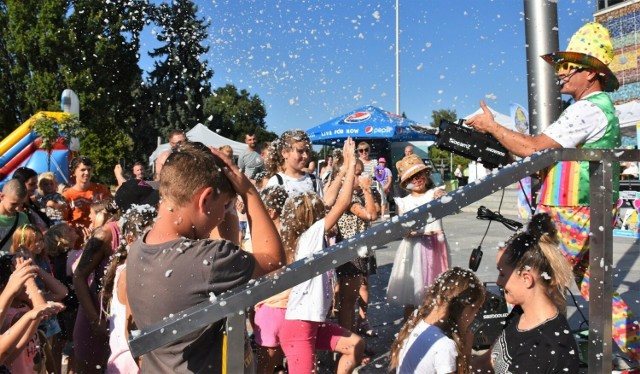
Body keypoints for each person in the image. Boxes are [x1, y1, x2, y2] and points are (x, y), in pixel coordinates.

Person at [466, 22, 640, 363]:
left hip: (570, 212)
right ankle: (634, 348)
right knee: (597, 289)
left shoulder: (588, 109)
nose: (559, 73)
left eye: (567, 66)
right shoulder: (593, 108)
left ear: (591, 74)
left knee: (528, 280)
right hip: (577, 210)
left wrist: (493, 128)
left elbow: (533, 149)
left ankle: (523, 357)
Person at [126, 141, 285, 373]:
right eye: (224, 205)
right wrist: (248, 192)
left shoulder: (139, 249)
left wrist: (225, 205)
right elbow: (274, 259)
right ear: (205, 199)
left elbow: (228, 258)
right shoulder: (209, 261)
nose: (222, 216)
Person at [279, 137, 364, 373]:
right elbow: (341, 201)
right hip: (300, 327)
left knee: (355, 344)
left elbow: (327, 199)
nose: (325, 208)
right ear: (311, 217)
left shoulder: (306, 237)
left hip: (313, 324)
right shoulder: (309, 236)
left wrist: (346, 168)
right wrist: (351, 162)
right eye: (320, 210)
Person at [472, 213, 580, 373]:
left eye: (503, 274)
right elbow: (488, 361)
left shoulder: (541, 347)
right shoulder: (520, 314)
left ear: (526, 279)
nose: (498, 282)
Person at [387, 154, 450, 320]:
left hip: (435, 246)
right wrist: (408, 230)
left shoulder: (434, 193)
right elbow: (402, 229)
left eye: (419, 175)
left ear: (426, 175)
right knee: (413, 292)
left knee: (435, 292)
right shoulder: (404, 202)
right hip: (413, 247)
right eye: (411, 177)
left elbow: (443, 198)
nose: (417, 180)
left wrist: (441, 196)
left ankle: (434, 327)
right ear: (406, 183)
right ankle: (410, 329)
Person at [389, 267, 485, 374]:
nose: (475, 316)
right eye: (476, 309)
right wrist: (467, 350)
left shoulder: (417, 323)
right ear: (463, 308)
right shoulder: (444, 346)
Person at [101, 205, 158, 374]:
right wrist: (143, 364)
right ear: (131, 239)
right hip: (131, 362)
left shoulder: (126, 268)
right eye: (151, 235)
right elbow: (131, 328)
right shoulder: (130, 273)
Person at [334, 158, 378, 342]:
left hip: (358, 251)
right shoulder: (349, 199)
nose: (362, 177)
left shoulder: (355, 196)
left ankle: (353, 338)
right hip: (350, 254)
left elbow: (377, 208)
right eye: (357, 174)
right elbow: (371, 214)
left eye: (361, 173)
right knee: (348, 302)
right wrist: (368, 189)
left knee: (351, 299)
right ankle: (348, 342)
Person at [0, 256, 65, 372]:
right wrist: (29, 283)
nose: (29, 286)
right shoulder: (15, 316)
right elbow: (41, 310)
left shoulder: (24, 305)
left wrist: (35, 268)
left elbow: (62, 292)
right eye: (22, 281)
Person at [253, 185, 289, 374]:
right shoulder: (293, 237)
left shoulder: (263, 243)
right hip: (292, 309)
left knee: (265, 367)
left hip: (269, 311)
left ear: (270, 212)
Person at [63, 156, 112, 244]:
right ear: (74, 172)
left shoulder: (100, 189)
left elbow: (112, 210)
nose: (86, 173)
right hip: (78, 240)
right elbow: (64, 221)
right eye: (83, 170)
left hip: (101, 236)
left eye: (89, 170)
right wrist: (76, 229)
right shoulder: (67, 195)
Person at [264, 130, 323, 197]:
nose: (305, 156)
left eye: (307, 151)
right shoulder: (276, 182)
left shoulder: (313, 180)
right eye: (300, 151)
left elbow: (322, 205)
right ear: (285, 153)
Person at [12, 167, 51, 231]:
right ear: (20, 184)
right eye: (31, 184)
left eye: (36, 183)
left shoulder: (35, 203)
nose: (36, 187)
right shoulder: (17, 208)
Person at [0, 180, 30, 255]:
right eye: (14, 204)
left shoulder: (22, 217)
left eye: (21, 204)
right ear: (2, 196)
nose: (17, 208)